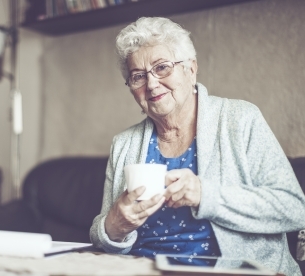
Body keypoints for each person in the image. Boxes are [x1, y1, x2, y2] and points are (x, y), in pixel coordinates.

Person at [89, 17, 305, 275]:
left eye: (162, 68)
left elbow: (293, 208)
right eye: (138, 76)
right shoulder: (124, 143)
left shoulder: (239, 119)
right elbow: (103, 237)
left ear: (190, 70)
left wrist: (207, 195)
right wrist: (115, 226)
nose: (152, 83)